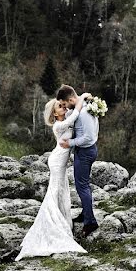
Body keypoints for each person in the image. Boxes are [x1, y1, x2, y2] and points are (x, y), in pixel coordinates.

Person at [15, 94, 91, 260]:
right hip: (56, 162)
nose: (63, 107)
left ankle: (62, 224)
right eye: (60, 106)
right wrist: (82, 98)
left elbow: (77, 113)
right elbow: (75, 116)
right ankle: (52, 226)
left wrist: (87, 102)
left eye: (63, 105)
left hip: (60, 163)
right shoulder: (58, 125)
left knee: (61, 192)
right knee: (54, 192)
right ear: (55, 114)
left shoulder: (66, 117)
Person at [57, 84, 99, 236]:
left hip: (86, 151)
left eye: (65, 104)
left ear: (70, 99)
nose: (65, 107)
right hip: (89, 149)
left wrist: (70, 143)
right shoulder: (85, 106)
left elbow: (87, 137)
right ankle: (86, 213)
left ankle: (90, 223)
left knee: (82, 186)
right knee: (84, 184)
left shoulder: (83, 113)